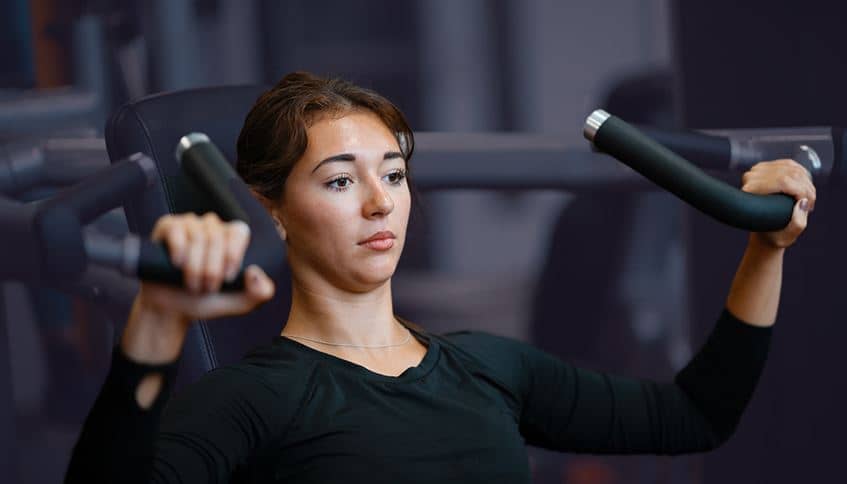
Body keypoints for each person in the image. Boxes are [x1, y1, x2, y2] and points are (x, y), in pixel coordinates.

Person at [65, 72, 816, 483]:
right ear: (275, 213)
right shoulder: (251, 398)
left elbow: (694, 417)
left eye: (393, 173)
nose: (377, 200)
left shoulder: (487, 366)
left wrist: (765, 248)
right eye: (337, 181)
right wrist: (157, 320)